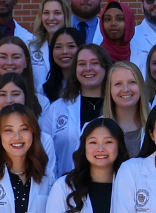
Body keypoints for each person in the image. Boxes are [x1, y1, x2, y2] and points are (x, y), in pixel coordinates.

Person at [43, 45, 113, 176]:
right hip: (65, 187)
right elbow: (44, 152)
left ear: (105, 67)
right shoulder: (57, 108)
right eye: (82, 64)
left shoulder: (117, 106)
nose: (88, 68)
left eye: (94, 63)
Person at [102, 62, 151, 159]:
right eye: (118, 84)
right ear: (109, 90)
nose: (126, 89)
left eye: (132, 82)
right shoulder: (93, 128)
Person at [26, 0, 71, 91]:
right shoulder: (30, 47)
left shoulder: (77, 47)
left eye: (57, 13)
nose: (51, 18)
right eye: (46, 13)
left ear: (65, 16)